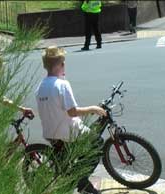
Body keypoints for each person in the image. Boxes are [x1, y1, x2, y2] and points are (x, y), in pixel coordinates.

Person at [35, 46, 107, 194]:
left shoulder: (40, 87)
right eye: (64, 63)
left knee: (68, 159)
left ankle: (72, 178)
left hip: (50, 133)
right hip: (68, 132)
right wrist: (93, 108)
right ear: (61, 64)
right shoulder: (62, 84)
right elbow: (73, 112)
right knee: (97, 143)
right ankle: (80, 180)